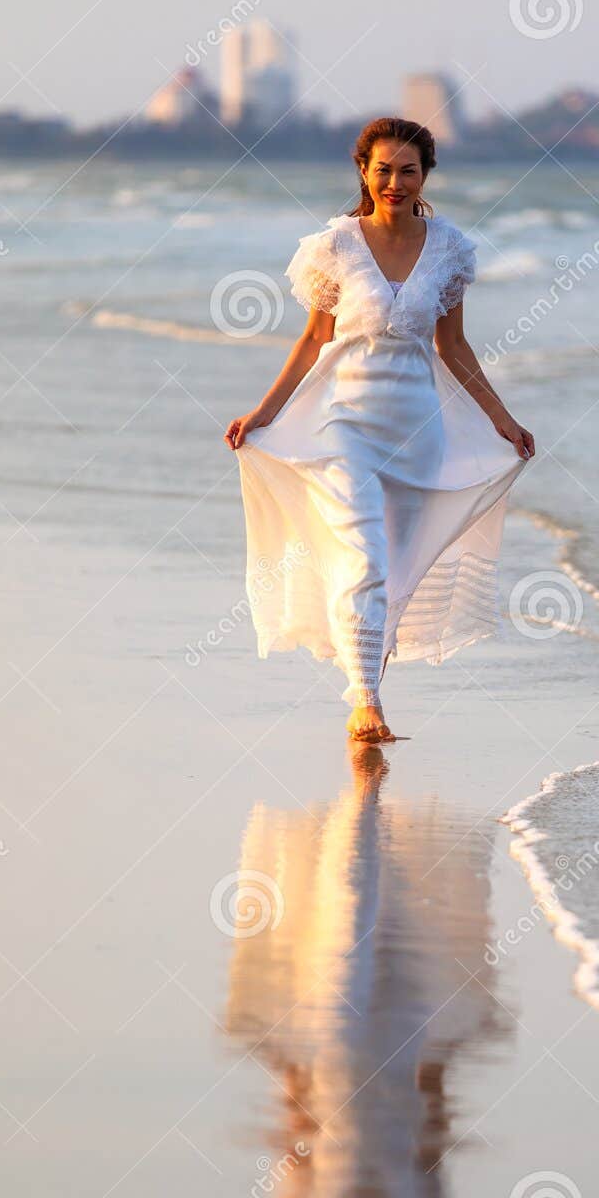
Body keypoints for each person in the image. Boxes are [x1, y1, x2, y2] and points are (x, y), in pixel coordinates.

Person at [225, 117, 534, 744]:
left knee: (395, 570)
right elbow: (314, 338)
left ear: (426, 175)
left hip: (418, 429)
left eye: (408, 170)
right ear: (363, 171)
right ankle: (365, 704)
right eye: (383, 169)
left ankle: (371, 680)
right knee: (364, 557)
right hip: (344, 425)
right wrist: (264, 414)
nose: (395, 181)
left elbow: (455, 347)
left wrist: (502, 420)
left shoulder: (448, 248)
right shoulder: (335, 246)